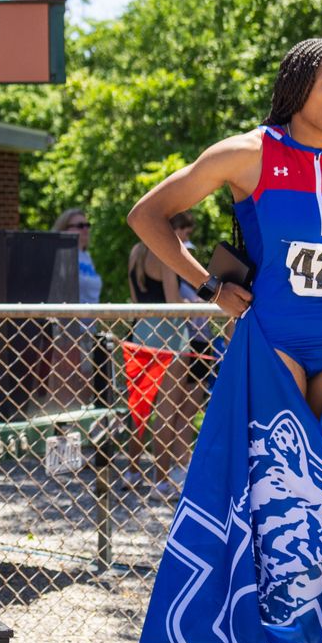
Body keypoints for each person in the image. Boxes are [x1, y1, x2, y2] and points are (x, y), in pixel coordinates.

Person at [128, 38, 322, 414]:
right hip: (274, 336)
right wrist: (210, 289)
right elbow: (146, 216)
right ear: (298, 87)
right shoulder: (248, 153)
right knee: (281, 468)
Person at [125, 212, 197, 497]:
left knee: (139, 405)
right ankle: (161, 479)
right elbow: (172, 301)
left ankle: (132, 471)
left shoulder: (135, 252)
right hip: (169, 334)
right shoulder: (165, 249)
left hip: (141, 330)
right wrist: (192, 305)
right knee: (166, 409)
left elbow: (134, 297)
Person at [56, 209, 100, 303]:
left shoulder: (87, 257)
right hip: (70, 317)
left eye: (87, 225)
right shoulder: (60, 256)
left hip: (93, 317)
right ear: (65, 229)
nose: (85, 229)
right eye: (80, 226)